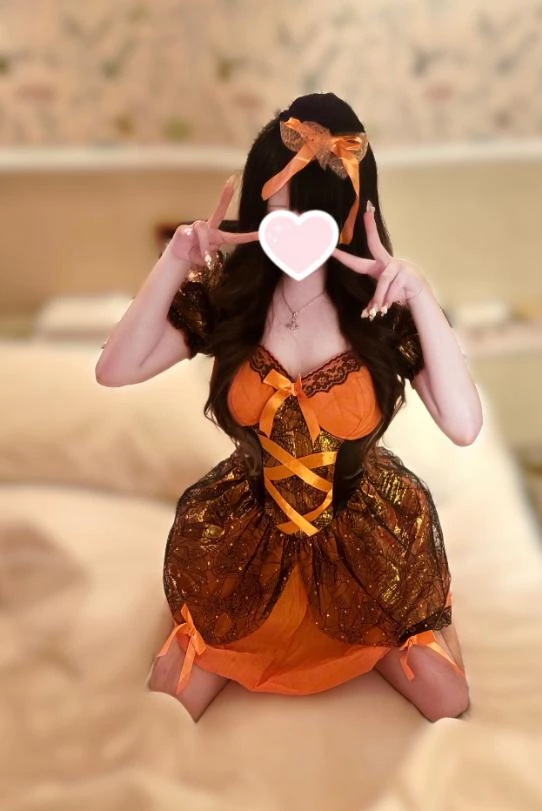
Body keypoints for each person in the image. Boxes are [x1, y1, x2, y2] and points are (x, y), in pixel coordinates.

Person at [96, 92, 481, 723]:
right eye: (282, 204)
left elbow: (464, 426)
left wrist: (419, 292)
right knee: (168, 700)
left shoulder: (381, 311)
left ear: (353, 211)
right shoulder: (232, 298)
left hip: (365, 544)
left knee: (447, 699)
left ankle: (378, 631)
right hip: (247, 538)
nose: (296, 222)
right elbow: (115, 370)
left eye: (317, 208)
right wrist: (175, 261)